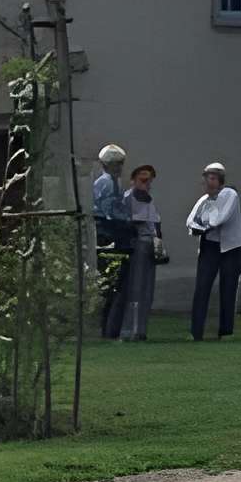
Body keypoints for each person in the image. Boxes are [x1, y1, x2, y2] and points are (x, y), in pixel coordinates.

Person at [185, 163, 241, 340]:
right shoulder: (203, 200)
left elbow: (220, 218)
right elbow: (190, 221)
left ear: (220, 181)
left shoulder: (229, 194)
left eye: (212, 178)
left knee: (228, 288)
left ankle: (226, 331)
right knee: (202, 287)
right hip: (210, 247)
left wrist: (203, 227)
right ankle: (196, 332)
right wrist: (198, 227)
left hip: (232, 248)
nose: (208, 182)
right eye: (206, 178)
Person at [89, 144, 135, 339]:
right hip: (110, 234)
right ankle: (108, 330)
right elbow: (109, 210)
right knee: (114, 285)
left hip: (110, 232)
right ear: (107, 165)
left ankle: (110, 329)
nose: (120, 168)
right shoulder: (107, 183)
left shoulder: (111, 182)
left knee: (114, 285)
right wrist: (126, 221)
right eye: (117, 164)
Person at [118, 164, 164, 340]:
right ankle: (130, 330)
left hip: (151, 245)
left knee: (147, 289)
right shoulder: (129, 198)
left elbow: (155, 223)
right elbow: (128, 222)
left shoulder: (149, 198)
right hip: (137, 244)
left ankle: (141, 329)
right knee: (135, 288)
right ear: (133, 180)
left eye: (149, 179)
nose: (147, 183)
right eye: (143, 179)